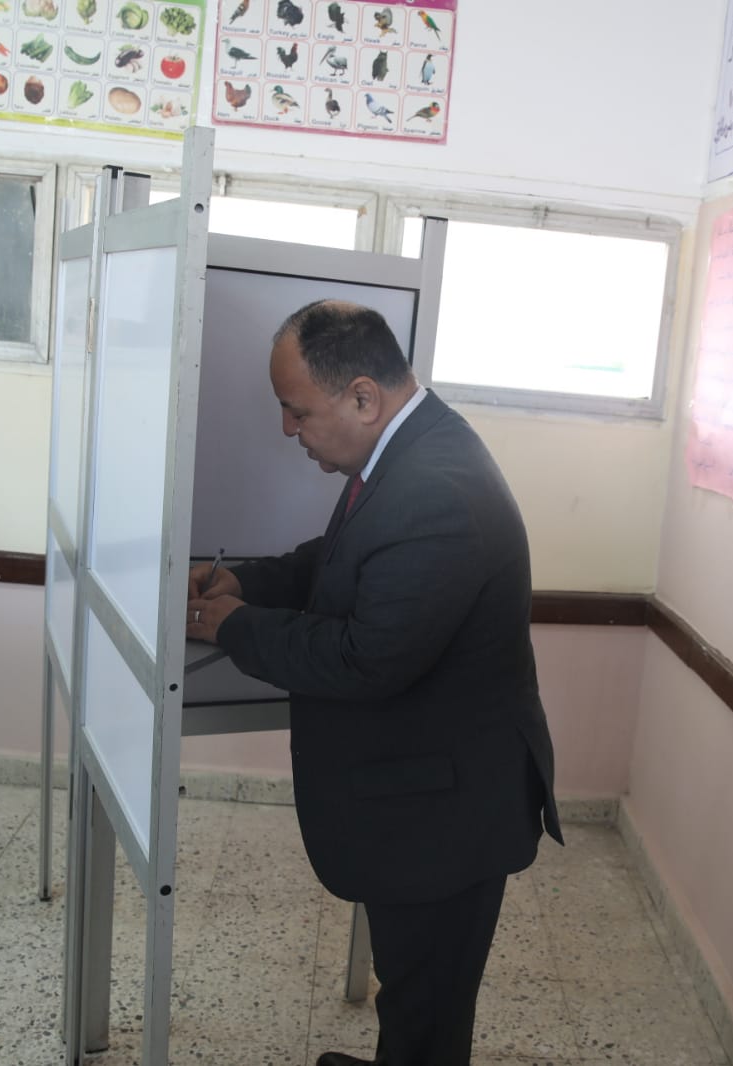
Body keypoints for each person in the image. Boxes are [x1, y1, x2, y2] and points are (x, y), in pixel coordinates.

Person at [186, 300, 562, 1066]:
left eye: (296, 411)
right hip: (427, 787)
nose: (286, 429)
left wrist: (231, 625)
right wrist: (244, 581)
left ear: (362, 396)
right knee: (412, 987)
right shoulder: (409, 449)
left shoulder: (436, 491)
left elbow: (365, 658)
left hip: (448, 813)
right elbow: (339, 561)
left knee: (427, 1007)